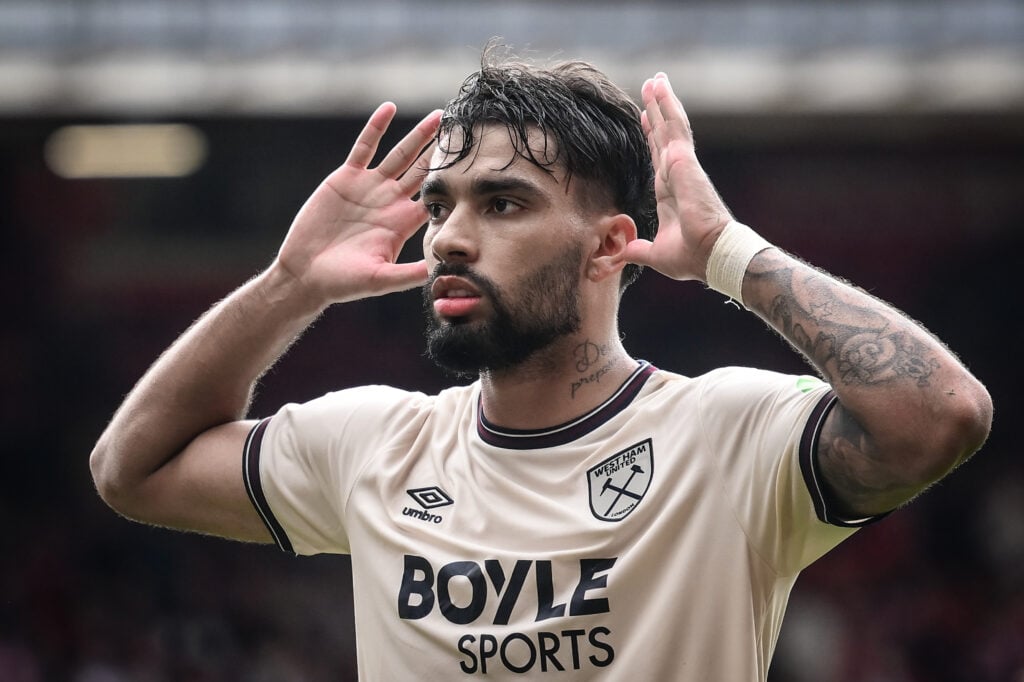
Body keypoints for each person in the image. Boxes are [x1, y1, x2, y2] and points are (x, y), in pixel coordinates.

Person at [90, 50, 993, 681]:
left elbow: (941, 415)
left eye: (504, 204)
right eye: (438, 204)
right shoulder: (370, 443)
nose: (449, 236)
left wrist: (729, 254)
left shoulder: (727, 435)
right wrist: (289, 284)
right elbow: (133, 471)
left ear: (610, 246)